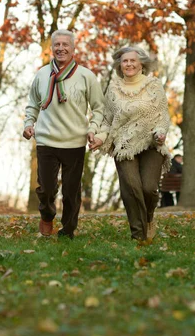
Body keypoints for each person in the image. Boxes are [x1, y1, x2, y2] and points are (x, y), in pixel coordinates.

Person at [23, 30, 104, 239]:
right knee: (47, 189)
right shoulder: (41, 74)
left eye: (65, 44)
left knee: (71, 192)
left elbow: (99, 108)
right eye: (57, 44)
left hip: (74, 141)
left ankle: (68, 230)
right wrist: (28, 124)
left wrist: (93, 129)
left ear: (73, 48)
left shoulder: (86, 76)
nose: (61, 48)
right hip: (46, 140)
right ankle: (47, 216)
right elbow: (32, 104)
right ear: (51, 48)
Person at [90, 46, 170, 242]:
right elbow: (108, 120)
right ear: (119, 65)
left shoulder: (153, 85)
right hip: (124, 145)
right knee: (131, 188)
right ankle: (138, 236)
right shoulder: (114, 89)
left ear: (141, 63)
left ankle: (149, 218)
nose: (129, 64)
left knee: (149, 188)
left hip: (151, 143)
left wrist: (161, 132)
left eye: (133, 60)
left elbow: (163, 116)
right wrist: (100, 137)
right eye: (125, 61)